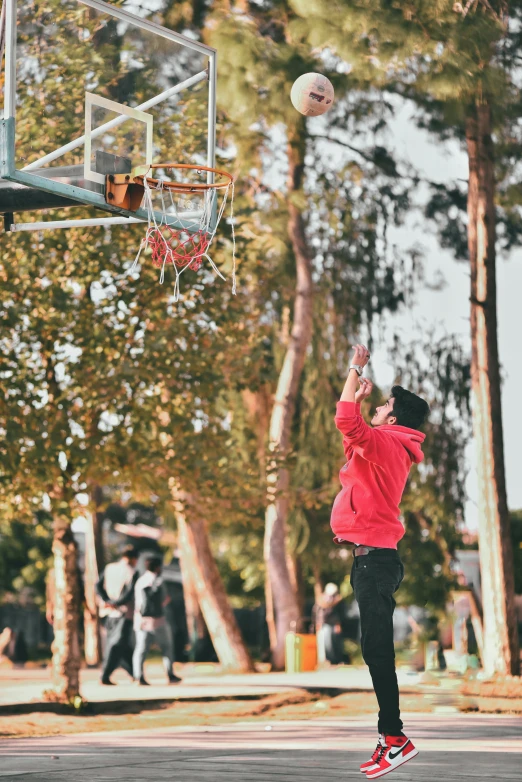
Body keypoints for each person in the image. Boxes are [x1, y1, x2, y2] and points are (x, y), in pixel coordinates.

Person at [331, 344, 429, 779]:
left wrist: (355, 372)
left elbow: (346, 421)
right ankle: (388, 735)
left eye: (384, 404)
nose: (378, 407)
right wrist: (354, 388)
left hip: (375, 561)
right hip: (371, 560)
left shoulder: (388, 444)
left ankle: (396, 738)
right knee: (375, 650)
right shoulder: (386, 444)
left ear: (393, 419)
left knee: (377, 650)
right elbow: (351, 428)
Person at [133, 557, 181, 686]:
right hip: (158, 621)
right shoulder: (159, 581)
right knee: (167, 648)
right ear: (158, 567)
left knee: (141, 650)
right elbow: (164, 600)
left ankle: (138, 676)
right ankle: (170, 675)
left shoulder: (140, 581)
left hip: (141, 620)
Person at [96, 546, 139, 685]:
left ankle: (135, 673)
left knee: (123, 645)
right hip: (123, 613)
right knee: (116, 644)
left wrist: (107, 601)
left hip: (108, 612)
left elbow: (97, 585)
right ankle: (105, 674)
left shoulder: (109, 568)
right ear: (133, 559)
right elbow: (130, 592)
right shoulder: (132, 572)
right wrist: (117, 603)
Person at [312, 583, 345, 665]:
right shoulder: (321, 600)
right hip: (324, 625)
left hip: (334, 625)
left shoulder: (337, 601)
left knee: (336, 642)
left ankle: (337, 660)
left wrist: (338, 624)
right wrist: (318, 623)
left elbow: (338, 614)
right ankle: (328, 660)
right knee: (326, 643)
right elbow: (318, 613)